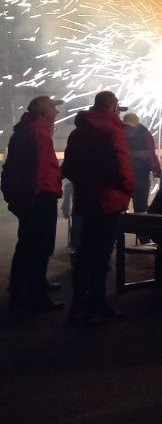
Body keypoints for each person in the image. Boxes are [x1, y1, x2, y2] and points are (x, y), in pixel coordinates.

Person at [61, 91, 134, 324]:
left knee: (84, 253)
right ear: (113, 107)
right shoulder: (112, 132)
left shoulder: (78, 132)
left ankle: (78, 304)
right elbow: (121, 164)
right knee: (101, 255)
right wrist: (128, 188)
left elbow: (69, 168)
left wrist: (85, 184)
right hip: (108, 199)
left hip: (86, 198)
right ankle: (97, 304)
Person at [2, 95, 65, 312]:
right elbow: (38, 169)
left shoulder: (25, 130)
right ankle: (36, 295)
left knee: (27, 244)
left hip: (28, 195)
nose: (56, 113)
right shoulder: (39, 133)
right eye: (52, 110)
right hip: (39, 196)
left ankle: (20, 289)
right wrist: (37, 195)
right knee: (40, 246)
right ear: (43, 112)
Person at [122, 113, 162, 215]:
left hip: (135, 174)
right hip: (136, 174)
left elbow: (150, 153)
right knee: (138, 206)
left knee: (137, 206)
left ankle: (131, 226)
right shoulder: (145, 133)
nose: (128, 129)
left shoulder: (120, 133)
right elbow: (150, 153)